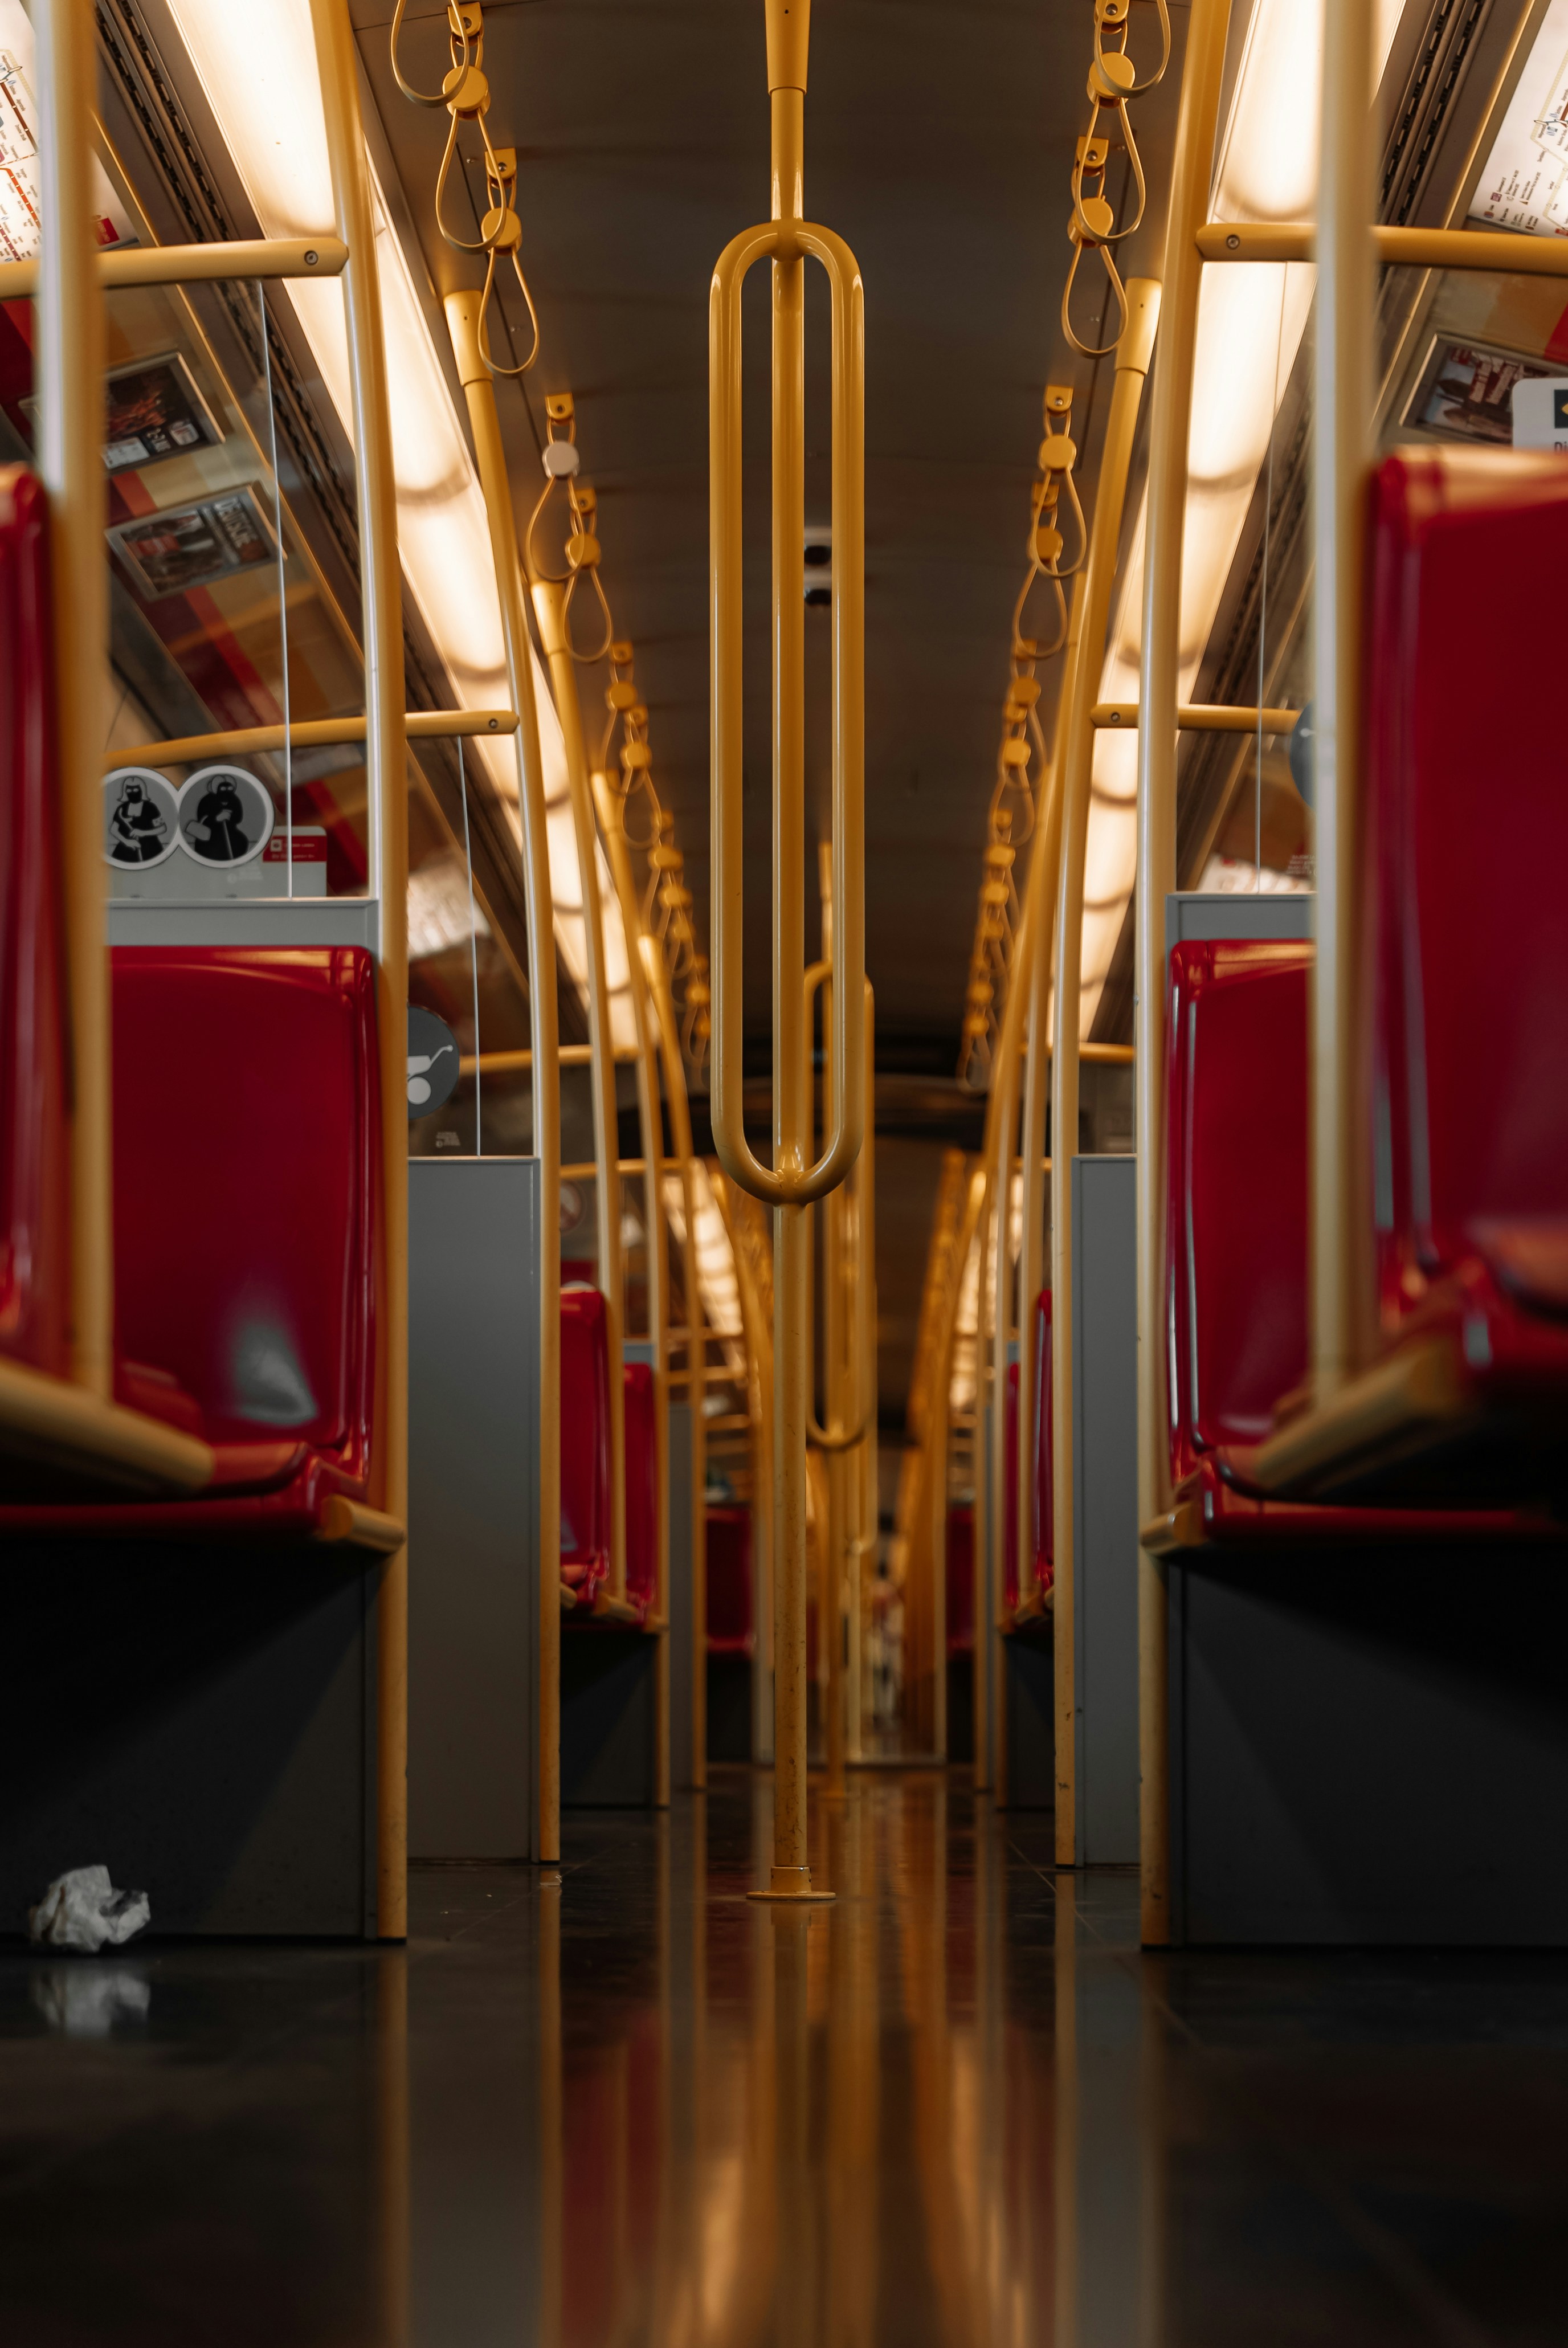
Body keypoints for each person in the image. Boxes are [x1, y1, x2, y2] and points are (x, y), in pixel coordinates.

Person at [184, 773, 252, 862]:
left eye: (230, 788)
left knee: (241, 841)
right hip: (211, 833)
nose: (227, 791)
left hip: (231, 832)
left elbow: (238, 818)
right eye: (223, 788)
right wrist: (216, 818)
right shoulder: (207, 800)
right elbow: (202, 817)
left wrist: (231, 818)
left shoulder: (234, 799)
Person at [108, 777, 169, 864]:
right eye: (129, 790)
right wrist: (127, 842)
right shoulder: (122, 808)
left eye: (136, 789)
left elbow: (162, 828)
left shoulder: (150, 807)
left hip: (151, 848)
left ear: (142, 790)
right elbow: (113, 829)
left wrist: (143, 833)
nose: (132, 793)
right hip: (126, 850)